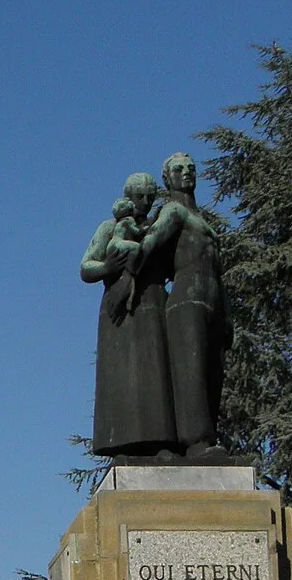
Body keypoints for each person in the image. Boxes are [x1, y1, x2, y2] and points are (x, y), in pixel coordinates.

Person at [136, 152, 229, 455]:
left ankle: (206, 438)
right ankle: (196, 442)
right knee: (191, 372)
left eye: (191, 167)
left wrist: (228, 316)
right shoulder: (173, 212)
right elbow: (148, 245)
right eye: (179, 169)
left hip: (213, 299)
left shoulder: (200, 217)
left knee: (212, 375)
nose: (187, 173)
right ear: (167, 178)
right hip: (186, 299)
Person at [81, 172, 175, 456]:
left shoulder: (161, 228)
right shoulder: (109, 228)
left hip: (155, 304)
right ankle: (121, 443)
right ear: (127, 197)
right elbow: (86, 268)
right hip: (120, 308)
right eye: (139, 196)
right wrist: (109, 267)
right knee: (121, 375)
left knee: (157, 373)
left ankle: (162, 442)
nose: (144, 202)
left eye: (150, 196)